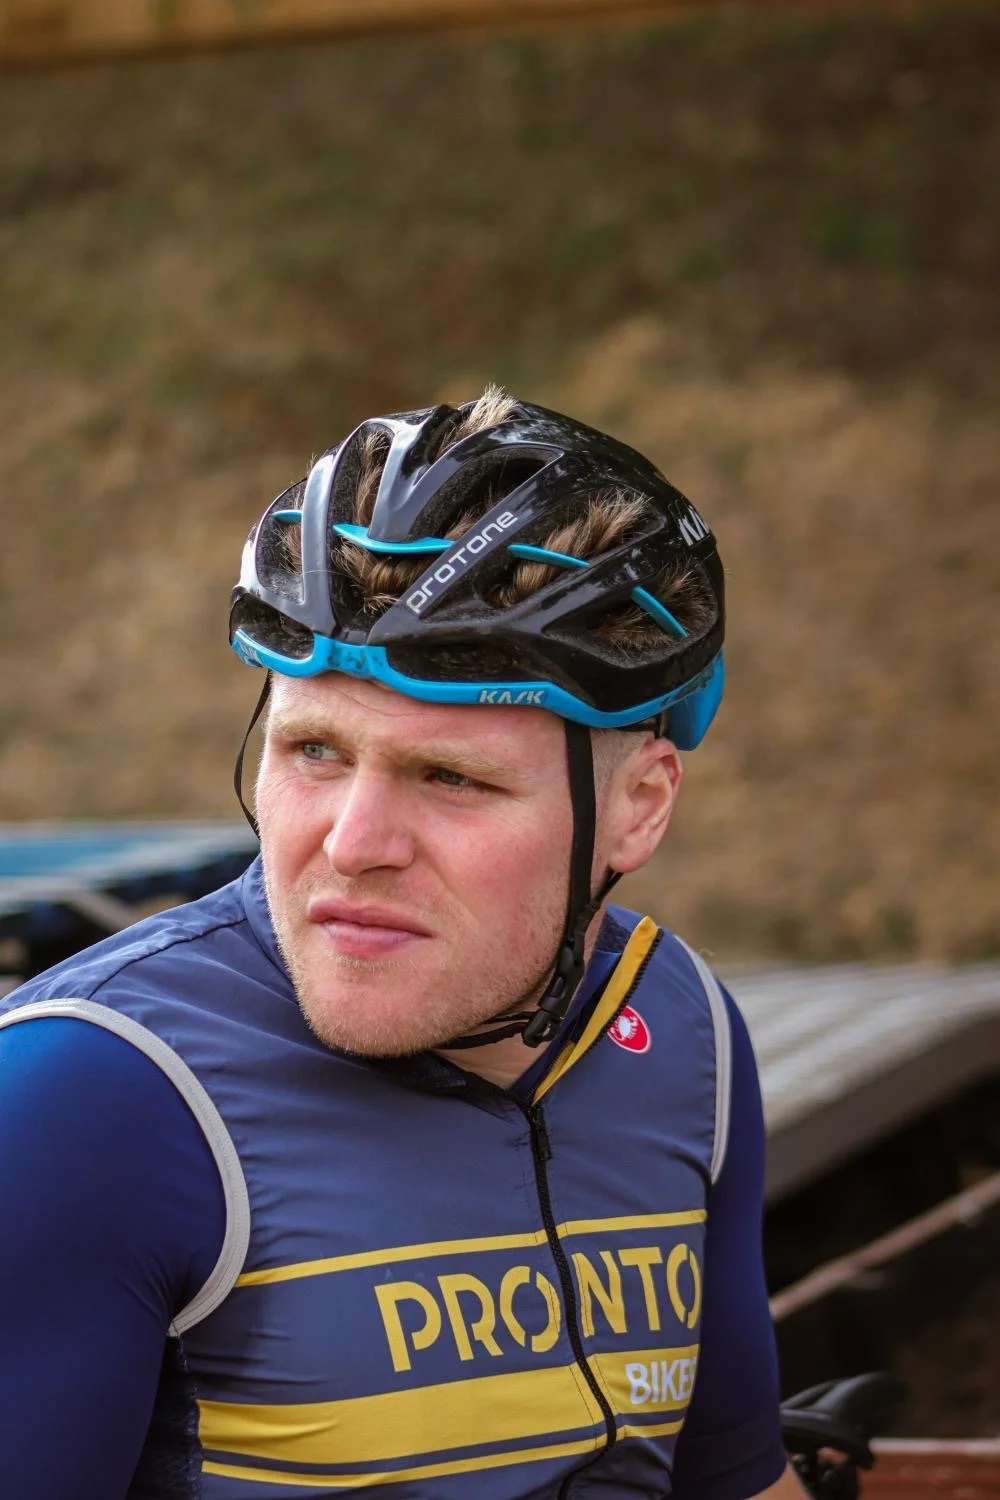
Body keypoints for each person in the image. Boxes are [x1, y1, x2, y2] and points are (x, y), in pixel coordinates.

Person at [0, 388, 809, 1499]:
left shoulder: (682, 1031)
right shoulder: (94, 1096)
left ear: (639, 808)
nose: (355, 843)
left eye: (452, 778)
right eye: (315, 752)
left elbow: (736, 1483)